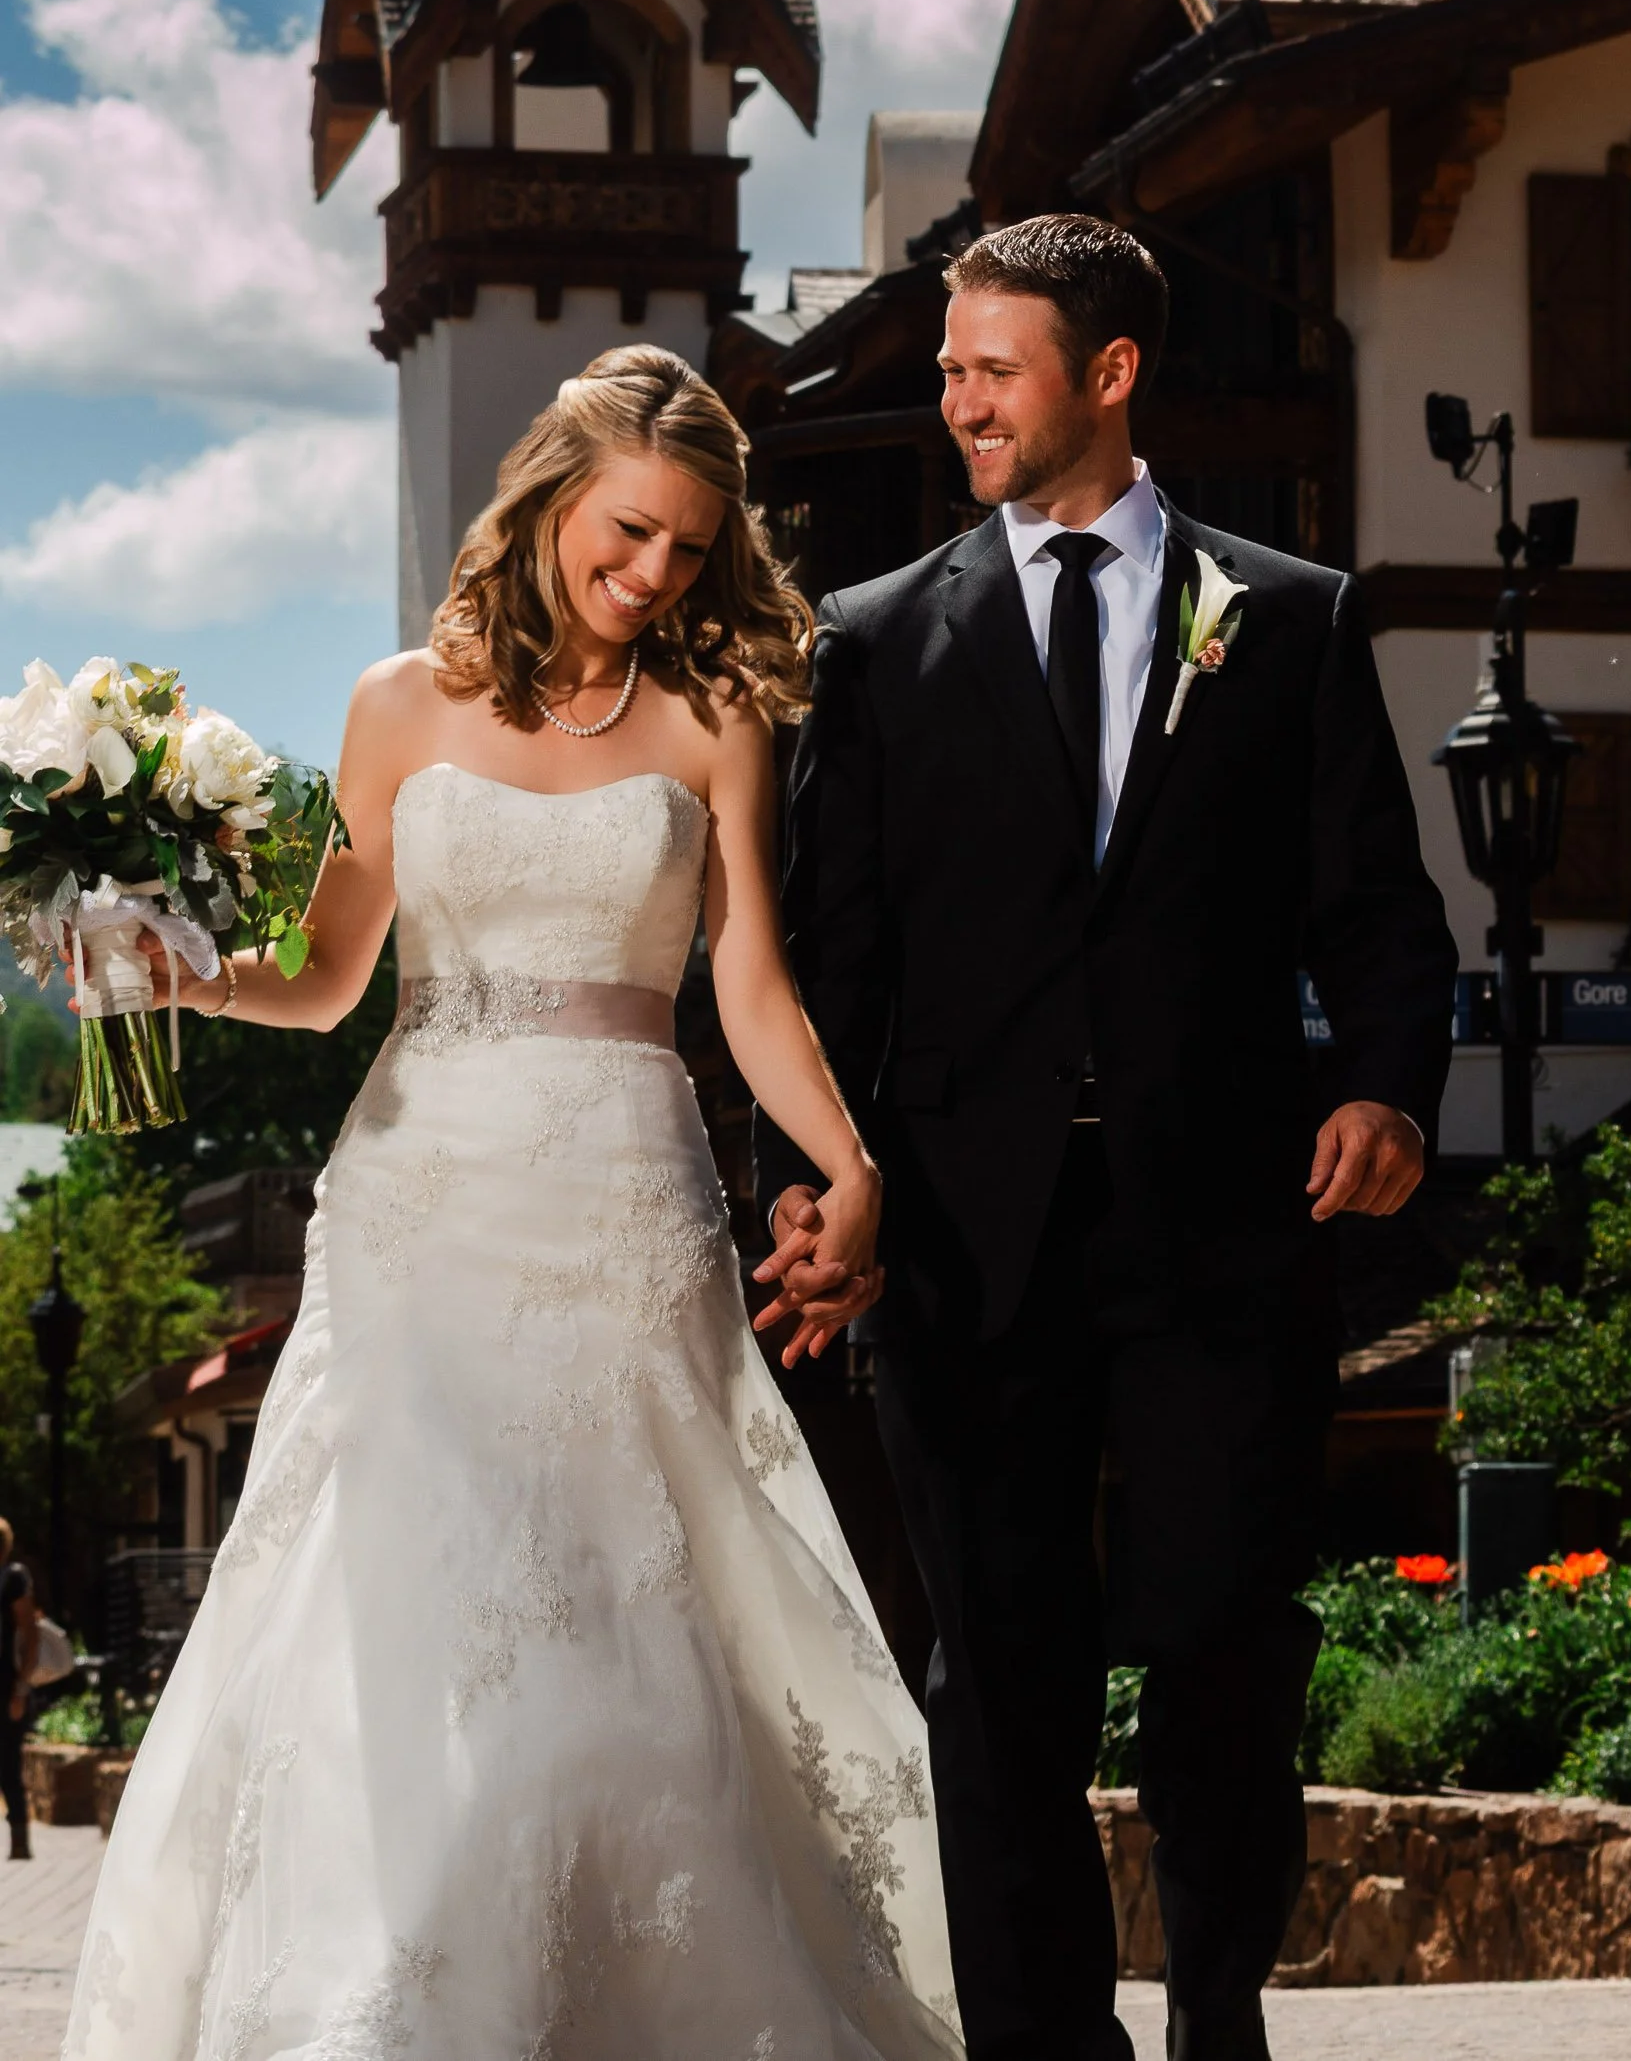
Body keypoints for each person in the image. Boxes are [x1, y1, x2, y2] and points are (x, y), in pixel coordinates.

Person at [63, 348, 962, 2061]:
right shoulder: (399, 705)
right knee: (394, 1600)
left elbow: (753, 989)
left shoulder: (717, 724)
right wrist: (174, 973)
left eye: (693, 554)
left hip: (626, 1205)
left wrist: (851, 1169)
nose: (654, 577)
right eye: (630, 534)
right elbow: (330, 983)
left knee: (626, 1621)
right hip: (416, 1204)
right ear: (552, 494)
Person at [752, 216, 1459, 2061]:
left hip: (1221, 1227)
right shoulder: (877, 639)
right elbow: (824, 965)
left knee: (1227, 1640)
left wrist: (1385, 1084)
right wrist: (820, 1198)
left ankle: (1219, 2012)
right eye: (951, 368)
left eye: (993, 365)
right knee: (996, 1682)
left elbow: (1376, 909)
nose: (956, 396)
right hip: (963, 1249)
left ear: (1109, 372)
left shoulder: (1289, 617)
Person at [0, 1518, 39, 1861]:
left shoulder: (12, 1578)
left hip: (6, 1688)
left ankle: (20, 1839)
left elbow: (30, 1633)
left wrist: (21, 1689)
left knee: (8, 1765)